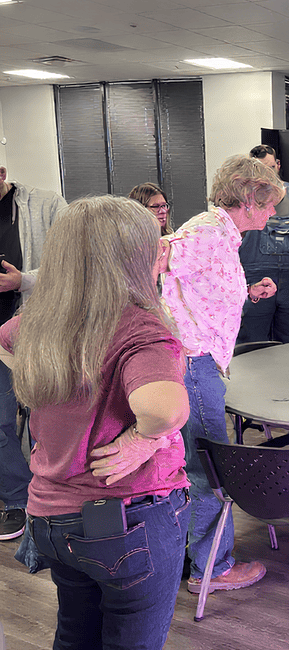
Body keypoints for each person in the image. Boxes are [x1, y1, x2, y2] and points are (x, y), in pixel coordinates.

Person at [0, 195, 190, 650]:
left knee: (75, 633)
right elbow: (165, 409)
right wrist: (145, 439)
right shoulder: (140, 328)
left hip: (50, 519)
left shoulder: (38, 324)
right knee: (131, 640)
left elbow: (5, 343)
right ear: (135, 256)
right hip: (125, 520)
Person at [159, 155, 281, 594]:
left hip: (197, 360)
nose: (273, 214)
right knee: (207, 468)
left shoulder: (218, 235)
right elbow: (153, 258)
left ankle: (194, 557)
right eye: (269, 205)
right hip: (193, 365)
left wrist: (247, 293)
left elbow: (196, 289)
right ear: (250, 200)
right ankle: (213, 567)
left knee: (197, 465)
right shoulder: (209, 232)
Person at [0, 166, 67, 541]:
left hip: (38, 329)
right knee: (1, 422)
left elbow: (73, 264)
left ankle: (55, 496)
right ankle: (15, 500)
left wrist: (21, 280)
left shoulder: (45, 204)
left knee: (50, 416)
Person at [238, 144, 289, 344]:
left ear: (278, 165)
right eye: (260, 169)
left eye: (270, 168)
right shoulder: (242, 199)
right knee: (252, 343)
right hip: (256, 284)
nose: (267, 175)